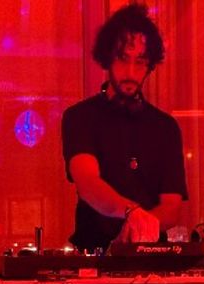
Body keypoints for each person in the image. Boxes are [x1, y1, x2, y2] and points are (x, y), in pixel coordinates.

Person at [61, 3, 188, 253]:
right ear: (107, 58)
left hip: (151, 260)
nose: (131, 72)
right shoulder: (80, 117)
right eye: (122, 59)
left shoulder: (166, 128)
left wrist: (138, 230)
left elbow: (172, 207)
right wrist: (131, 213)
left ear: (149, 65)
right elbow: (88, 184)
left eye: (140, 62)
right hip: (92, 260)